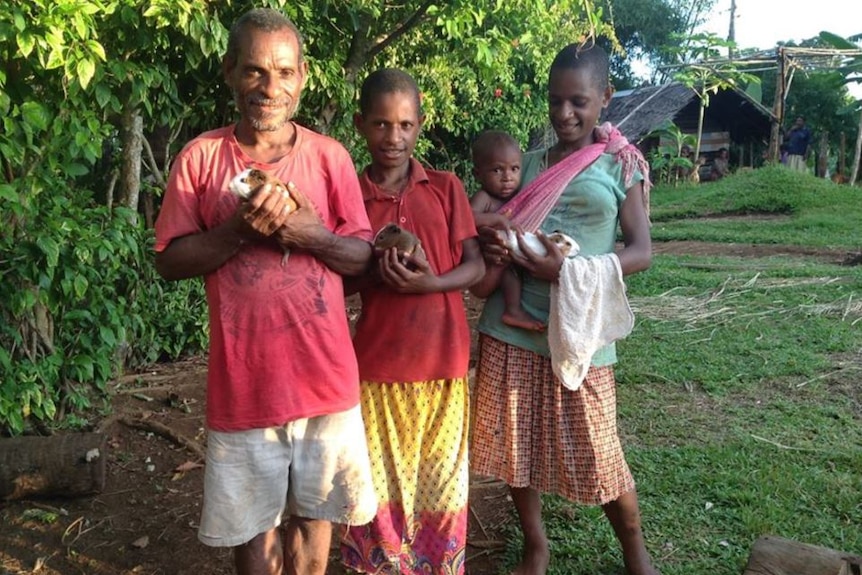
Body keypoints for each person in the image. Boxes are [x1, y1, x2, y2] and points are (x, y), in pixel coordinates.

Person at [153, 8, 377, 575]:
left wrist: (310, 234)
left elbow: (363, 259)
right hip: (244, 389)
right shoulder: (200, 159)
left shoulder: (330, 159)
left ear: (302, 75)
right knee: (253, 538)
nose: (269, 88)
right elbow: (170, 261)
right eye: (253, 71)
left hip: (325, 383)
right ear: (230, 72)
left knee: (314, 523)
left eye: (282, 72)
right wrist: (236, 231)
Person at [469, 43, 659, 575]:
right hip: (513, 330)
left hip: (582, 333)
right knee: (514, 446)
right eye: (555, 101)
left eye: (578, 101)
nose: (564, 114)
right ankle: (536, 543)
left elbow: (641, 251)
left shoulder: (622, 166)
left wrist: (568, 273)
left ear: (605, 97)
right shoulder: (521, 166)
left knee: (599, 450)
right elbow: (474, 220)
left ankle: (634, 551)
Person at [340, 68, 485, 574]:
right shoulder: (350, 194)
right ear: (361, 124)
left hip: (444, 366)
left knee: (441, 488)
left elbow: (475, 265)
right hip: (376, 370)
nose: (393, 137)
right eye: (381, 125)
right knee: (376, 491)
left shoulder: (446, 188)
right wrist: (376, 276)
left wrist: (431, 283)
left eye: (404, 125)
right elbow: (336, 282)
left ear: (420, 124)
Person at [470, 130, 547, 330]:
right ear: (477, 174)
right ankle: (512, 311)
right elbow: (465, 219)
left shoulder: (517, 198)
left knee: (513, 270)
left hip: (507, 258)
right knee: (508, 272)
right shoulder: (484, 198)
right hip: (485, 262)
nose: (507, 178)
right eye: (497, 170)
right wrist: (495, 218)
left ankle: (513, 310)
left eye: (514, 169)